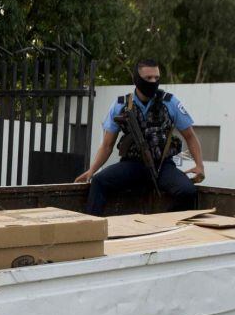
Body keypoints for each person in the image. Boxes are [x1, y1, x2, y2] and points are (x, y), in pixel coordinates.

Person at [75, 59, 205, 215]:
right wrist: (92, 170)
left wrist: (200, 165)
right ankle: (92, 227)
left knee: (188, 191)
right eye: (148, 78)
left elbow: (190, 136)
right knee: (99, 181)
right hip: (133, 165)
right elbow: (107, 145)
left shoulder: (169, 102)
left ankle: (166, 226)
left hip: (162, 166)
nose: (153, 82)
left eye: (157, 78)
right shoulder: (120, 105)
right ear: (136, 79)